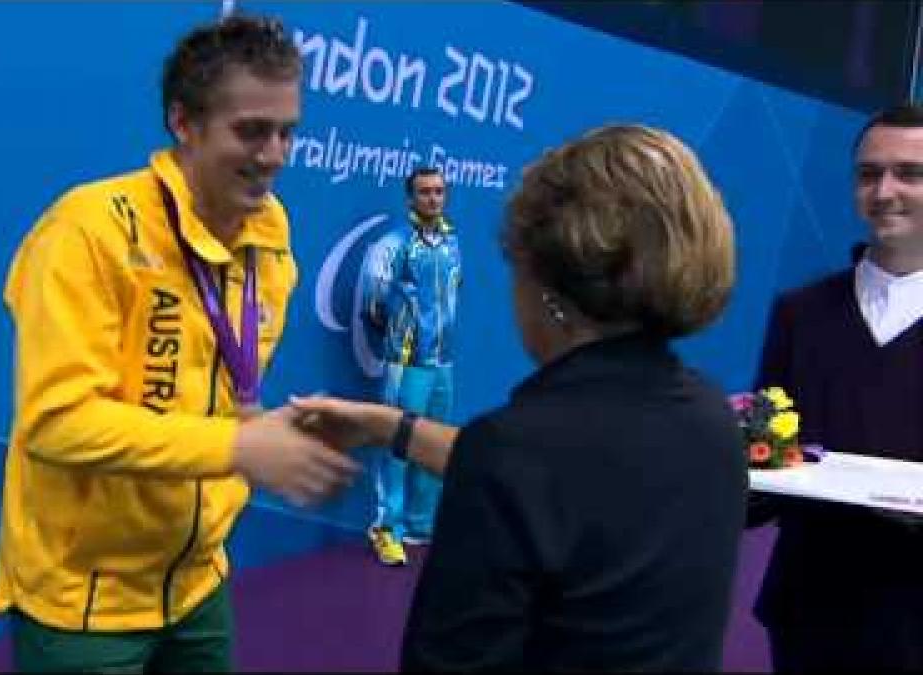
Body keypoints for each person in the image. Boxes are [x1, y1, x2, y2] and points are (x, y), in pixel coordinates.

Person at [294, 125, 748, 671]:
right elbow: (571, 485)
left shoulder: (516, 452)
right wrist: (385, 426)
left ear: (551, 289)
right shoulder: (710, 419)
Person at [0, 15, 360, 673]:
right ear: (183, 123)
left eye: (287, 131)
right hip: (85, 602)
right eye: (250, 130)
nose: (274, 154)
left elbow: (221, 393)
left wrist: (271, 427)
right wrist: (240, 447)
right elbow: (57, 420)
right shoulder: (90, 228)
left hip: (198, 582)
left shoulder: (270, 235)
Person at [746, 103, 923, 671]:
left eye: (909, 173)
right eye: (869, 174)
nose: (885, 190)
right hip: (810, 614)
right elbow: (764, 479)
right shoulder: (801, 315)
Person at [358, 166, 461, 566]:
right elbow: (373, 301)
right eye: (425, 192)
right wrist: (401, 339)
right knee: (398, 445)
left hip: (442, 362)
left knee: (434, 444)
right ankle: (386, 528)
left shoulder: (452, 243)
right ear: (410, 199)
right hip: (406, 360)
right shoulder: (394, 244)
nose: (433, 199)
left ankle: (422, 526)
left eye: (439, 192)